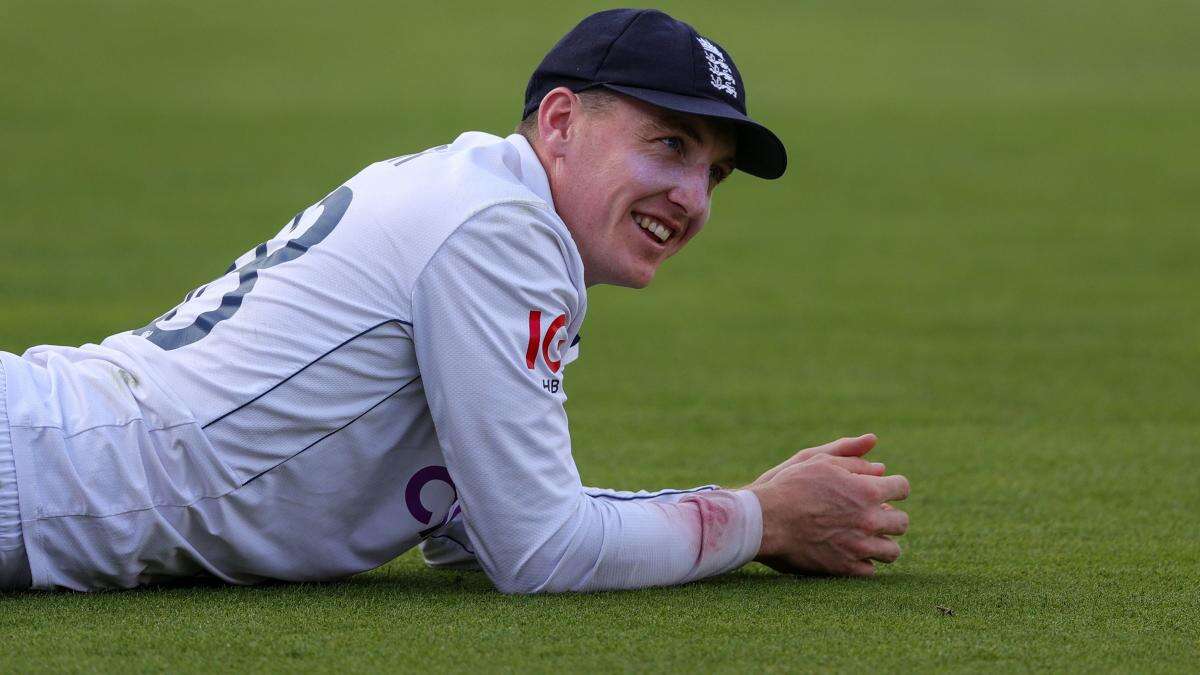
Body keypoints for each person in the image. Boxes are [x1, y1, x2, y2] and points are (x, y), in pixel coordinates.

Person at [0, 9, 909, 593]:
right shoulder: (498, 230)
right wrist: (761, 519)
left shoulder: (486, 200)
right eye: (668, 145)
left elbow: (480, 527)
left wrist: (748, 506)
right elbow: (542, 550)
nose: (694, 197)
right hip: (31, 468)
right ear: (559, 123)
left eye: (713, 173)